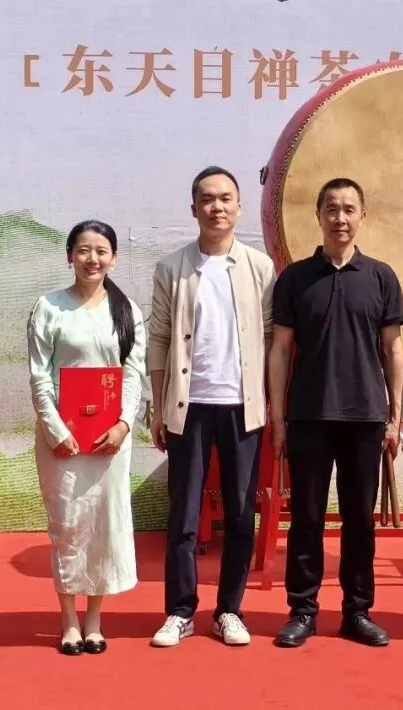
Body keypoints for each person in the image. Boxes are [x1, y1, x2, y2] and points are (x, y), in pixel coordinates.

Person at [268, 177, 403, 648]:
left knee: (359, 520)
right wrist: (278, 416)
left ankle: (357, 611)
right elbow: (280, 350)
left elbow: (393, 350)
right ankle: (302, 610)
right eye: (332, 209)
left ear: (362, 217)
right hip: (308, 415)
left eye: (349, 209)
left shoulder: (381, 277)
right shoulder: (295, 279)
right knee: (306, 518)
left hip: (366, 418)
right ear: (319, 216)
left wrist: (395, 416)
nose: (340, 218)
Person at [147, 166, 275, 648]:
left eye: (225, 198)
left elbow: (271, 342)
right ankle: (180, 611)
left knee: (241, 514)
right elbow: (159, 338)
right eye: (207, 199)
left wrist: (271, 404)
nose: (216, 207)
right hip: (189, 405)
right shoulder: (172, 268)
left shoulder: (260, 268)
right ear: (193, 208)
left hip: (243, 408)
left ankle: (229, 611)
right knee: (183, 513)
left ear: (239, 207)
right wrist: (158, 406)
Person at [27, 219, 147, 656]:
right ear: (69, 256)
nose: (91, 259)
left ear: (113, 258)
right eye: (83, 250)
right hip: (62, 442)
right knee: (68, 527)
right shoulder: (49, 308)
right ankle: (68, 621)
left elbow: (132, 375)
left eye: (101, 251)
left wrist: (124, 425)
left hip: (109, 442)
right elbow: (40, 377)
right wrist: (56, 430)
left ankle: (94, 620)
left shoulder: (127, 311)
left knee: (103, 527)